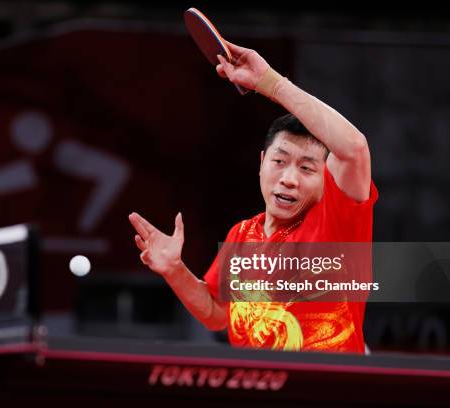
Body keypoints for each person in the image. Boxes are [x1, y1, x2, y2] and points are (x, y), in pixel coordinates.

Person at [128, 40, 378, 353]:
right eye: (280, 161)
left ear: (325, 180)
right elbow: (217, 315)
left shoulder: (338, 225)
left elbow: (354, 148)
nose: (289, 179)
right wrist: (174, 270)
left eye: (306, 168)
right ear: (261, 164)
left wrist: (270, 83)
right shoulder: (241, 236)